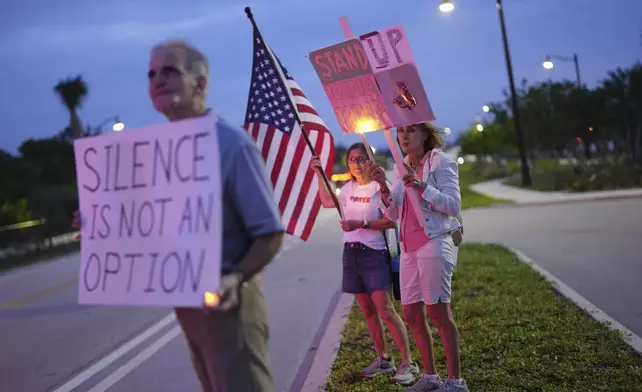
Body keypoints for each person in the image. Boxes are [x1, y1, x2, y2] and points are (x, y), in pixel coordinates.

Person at [73, 39, 283, 392]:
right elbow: (150, 226)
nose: (157, 80)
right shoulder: (155, 155)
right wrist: (99, 224)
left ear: (200, 84)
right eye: (152, 73)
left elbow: (270, 233)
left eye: (169, 71)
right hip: (188, 306)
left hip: (230, 305)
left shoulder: (231, 145)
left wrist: (236, 277)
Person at [369, 122, 468, 392]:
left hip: (434, 242)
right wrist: (383, 186)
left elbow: (453, 205)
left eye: (410, 130)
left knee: (438, 313)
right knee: (411, 313)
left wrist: (423, 185)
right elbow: (393, 214)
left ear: (424, 133)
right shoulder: (401, 166)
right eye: (400, 131)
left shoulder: (441, 162)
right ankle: (431, 376)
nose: (404, 136)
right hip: (408, 249)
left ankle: (456, 381)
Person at [310, 143, 419, 386]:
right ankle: (383, 358)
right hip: (351, 253)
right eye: (352, 159)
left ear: (370, 161)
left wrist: (362, 224)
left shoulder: (380, 188)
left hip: (374, 253)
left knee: (386, 310)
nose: (356, 163)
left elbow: (392, 221)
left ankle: (407, 361)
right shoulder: (347, 188)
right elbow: (328, 202)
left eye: (361, 158)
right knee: (368, 311)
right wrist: (319, 172)